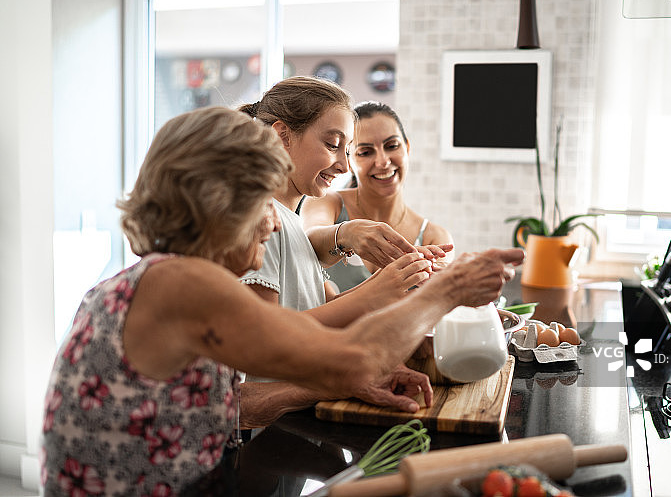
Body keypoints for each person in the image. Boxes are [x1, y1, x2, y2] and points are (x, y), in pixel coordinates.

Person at [40, 106, 524, 495]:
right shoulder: (182, 285)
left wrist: (336, 383)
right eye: (261, 204)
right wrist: (449, 290)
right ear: (216, 200)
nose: (274, 223)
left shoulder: (158, 281)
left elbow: (232, 405)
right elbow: (352, 356)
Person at [238, 77, 451, 316]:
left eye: (347, 150)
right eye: (332, 144)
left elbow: (325, 309)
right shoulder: (262, 219)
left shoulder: (289, 221)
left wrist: (395, 279)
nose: (344, 167)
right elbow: (268, 334)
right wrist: (378, 290)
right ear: (283, 136)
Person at [301, 101, 454, 293]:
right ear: (349, 160)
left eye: (392, 146)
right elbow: (308, 240)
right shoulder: (328, 203)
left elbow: (431, 307)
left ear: (407, 148)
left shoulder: (434, 238)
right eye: (365, 152)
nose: (383, 161)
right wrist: (347, 233)